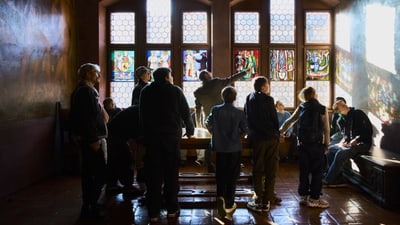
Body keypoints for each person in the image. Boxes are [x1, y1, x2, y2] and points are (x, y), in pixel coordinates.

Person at [139, 67, 195, 223]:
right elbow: (186, 112)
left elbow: (141, 115)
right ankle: (172, 208)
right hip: (171, 139)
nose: (172, 78)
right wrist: (190, 130)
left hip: (152, 139)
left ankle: (153, 212)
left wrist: (144, 135)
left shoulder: (146, 91)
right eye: (170, 75)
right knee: (171, 175)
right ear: (166, 77)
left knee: (153, 176)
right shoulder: (175, 91)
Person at [69, 63, 109, 219]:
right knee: (98, 173)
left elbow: (100, 115)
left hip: (92, 139)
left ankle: (91, 203)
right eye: (96, 73)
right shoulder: (85, 92)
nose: (99, 76)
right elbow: (86, 119)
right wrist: (93, 140)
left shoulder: (89, 91)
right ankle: (89, 206)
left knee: (92, 173)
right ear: (87, 74)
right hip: (91, 140)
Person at [279, 86, 330, 208]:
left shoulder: (302, 107)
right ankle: (314, 199)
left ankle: (303, 197)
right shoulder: (322, 108)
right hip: (317, 145)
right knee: (317, 172)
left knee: (304, 171)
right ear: (314, 95)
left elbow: (290, 121)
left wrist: (280, 131)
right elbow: (326, 129)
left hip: (302, 144)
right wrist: (326, 144)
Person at [205, 86, 248, 221]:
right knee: (232, 176)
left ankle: (220, 197)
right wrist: (238, 135)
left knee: (221, 174)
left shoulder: (215, 110)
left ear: (222, 97)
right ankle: (229, 203)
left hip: (220, 147)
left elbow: (208, 123)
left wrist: (214, 134)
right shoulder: (239, 112)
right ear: (234, 98)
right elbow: (245, 129)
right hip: (234, 147)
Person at [193, 68, 249, 172]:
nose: (211, 74)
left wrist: (199, 125)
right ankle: (233, 162)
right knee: (229, 138)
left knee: (210, 142)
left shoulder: (198, 92)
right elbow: (231, 79)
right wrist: (245, 72)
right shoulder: (217, 82)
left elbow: (197, 110)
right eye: (209, 73)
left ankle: (209, 163)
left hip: (210, 120)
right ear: (207, 76)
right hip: (225, 116)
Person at [244, 76, 280, 212]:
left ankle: (258, 198)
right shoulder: (269, 99)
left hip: (257, 138)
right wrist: (277, 133)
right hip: (271, 137)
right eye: (268, 85)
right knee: (271, 169)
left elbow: (246, 116)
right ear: (264, 87)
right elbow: (274, 119)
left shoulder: (249, 98)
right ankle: (267, 199)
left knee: (258, 168)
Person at [323, 100, 373, 187]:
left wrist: (357, 140)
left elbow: (368, 131)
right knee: (330, 150)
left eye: (338, 110)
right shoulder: (341, 119)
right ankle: (337, 178)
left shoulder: (358, 114)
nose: (338, 113)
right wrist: (344, 142)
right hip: (351, 144)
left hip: (363, 144)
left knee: (341, 153)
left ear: (344, 107)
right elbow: (345, 135)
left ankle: (328, 180)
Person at [106, 105, 143, 196]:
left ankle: (112, 185)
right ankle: (128, 187)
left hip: (111, 134)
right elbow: (137, 134)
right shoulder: (140, 112)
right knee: (126, 160)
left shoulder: (137, 109)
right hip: (116, 136)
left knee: (114, 161)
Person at [131, 66, 152, 184]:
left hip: (143, 120)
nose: (150, 75)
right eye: (148, 73)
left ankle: (143, 172)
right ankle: (141, 172)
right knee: (141, 148)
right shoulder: (140, 88)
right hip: (141, 121)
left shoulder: (143, 87)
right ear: (143, 75)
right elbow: (136, 105)